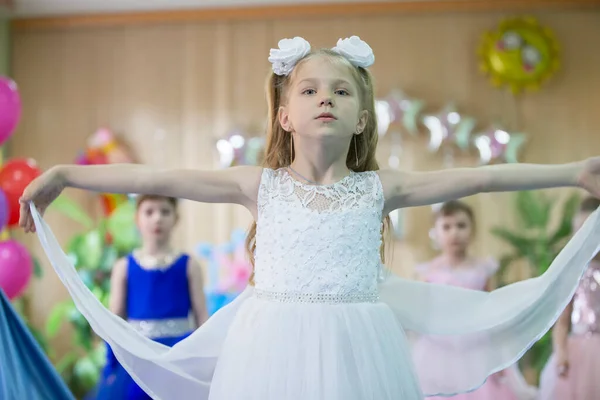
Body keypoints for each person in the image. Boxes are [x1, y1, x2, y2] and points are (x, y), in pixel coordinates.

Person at [18, 35, 600, 400]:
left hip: (360, 349)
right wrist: (66, 174)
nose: (327, 98)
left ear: (363, 119)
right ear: (285, 117)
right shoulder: (260, 185)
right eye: (311, 90)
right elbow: (155, 178)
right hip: (270, 349)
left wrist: (575, 171)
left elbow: (481, 177)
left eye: (343, 92)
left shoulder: (379, 189)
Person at [413, 200, 537, 400]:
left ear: (472, 230)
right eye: (447, 227)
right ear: (435, 232)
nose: (454, 232)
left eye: (461, 225)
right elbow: (421, 312)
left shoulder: (482, 268)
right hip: (439, 349)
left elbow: (492, 309)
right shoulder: (428, 272)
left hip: (477, 346)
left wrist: (499, 356)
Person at [91, 195, 208, 399]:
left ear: (176, 218)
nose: (157, 218)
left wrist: (205, 360)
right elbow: (115, 319)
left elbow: (202, 317)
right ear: (137, 218)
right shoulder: (124, 267)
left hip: (178, 356)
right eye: (149, 212)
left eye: (164, 211)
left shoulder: (189, 265)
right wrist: (112, 361)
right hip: (139, 357)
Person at [539, 196, 600, 400]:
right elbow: (562, 321)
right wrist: (561, 351)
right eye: (580, 232)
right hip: (580, 352)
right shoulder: (573, 273)